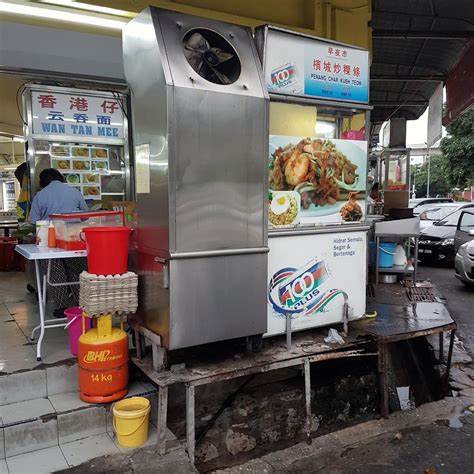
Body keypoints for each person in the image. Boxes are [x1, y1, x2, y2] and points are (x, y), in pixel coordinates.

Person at [29, 168, 88, 317]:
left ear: (43, 181)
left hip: (51, 240)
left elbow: (33, 221)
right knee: (77, 271)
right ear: (61, 178)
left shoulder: (40, 195)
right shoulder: (74, 192)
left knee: (55, 272)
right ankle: (81, 305)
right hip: (73, 238)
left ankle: (61, 308)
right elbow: (85, 216)